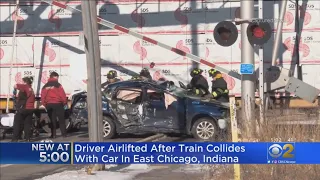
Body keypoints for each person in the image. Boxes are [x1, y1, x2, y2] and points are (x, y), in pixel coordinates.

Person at [40, 72, 68, 139]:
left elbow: (43, 96)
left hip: (49, 105)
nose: (58, 79)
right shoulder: (58, 85)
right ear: (55, 77)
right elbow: (62, 95)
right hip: (58, 104)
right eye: (57, 77)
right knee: (61, 120)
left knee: (52, 120)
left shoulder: (45, 86)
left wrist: (44, 104)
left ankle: (53, 135)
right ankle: (64, 135)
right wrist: (64, 102)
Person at [11, 76, 35, 142]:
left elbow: (15, 85)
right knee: (27, 124)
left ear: (25, 82)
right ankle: (27, 138)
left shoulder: (25, 86)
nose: (22, 82)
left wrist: (14, 90)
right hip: (30, 109)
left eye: (22, 81)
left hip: (24, 108)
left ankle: (15, 138)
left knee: (17, 123)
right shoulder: (31, 88)